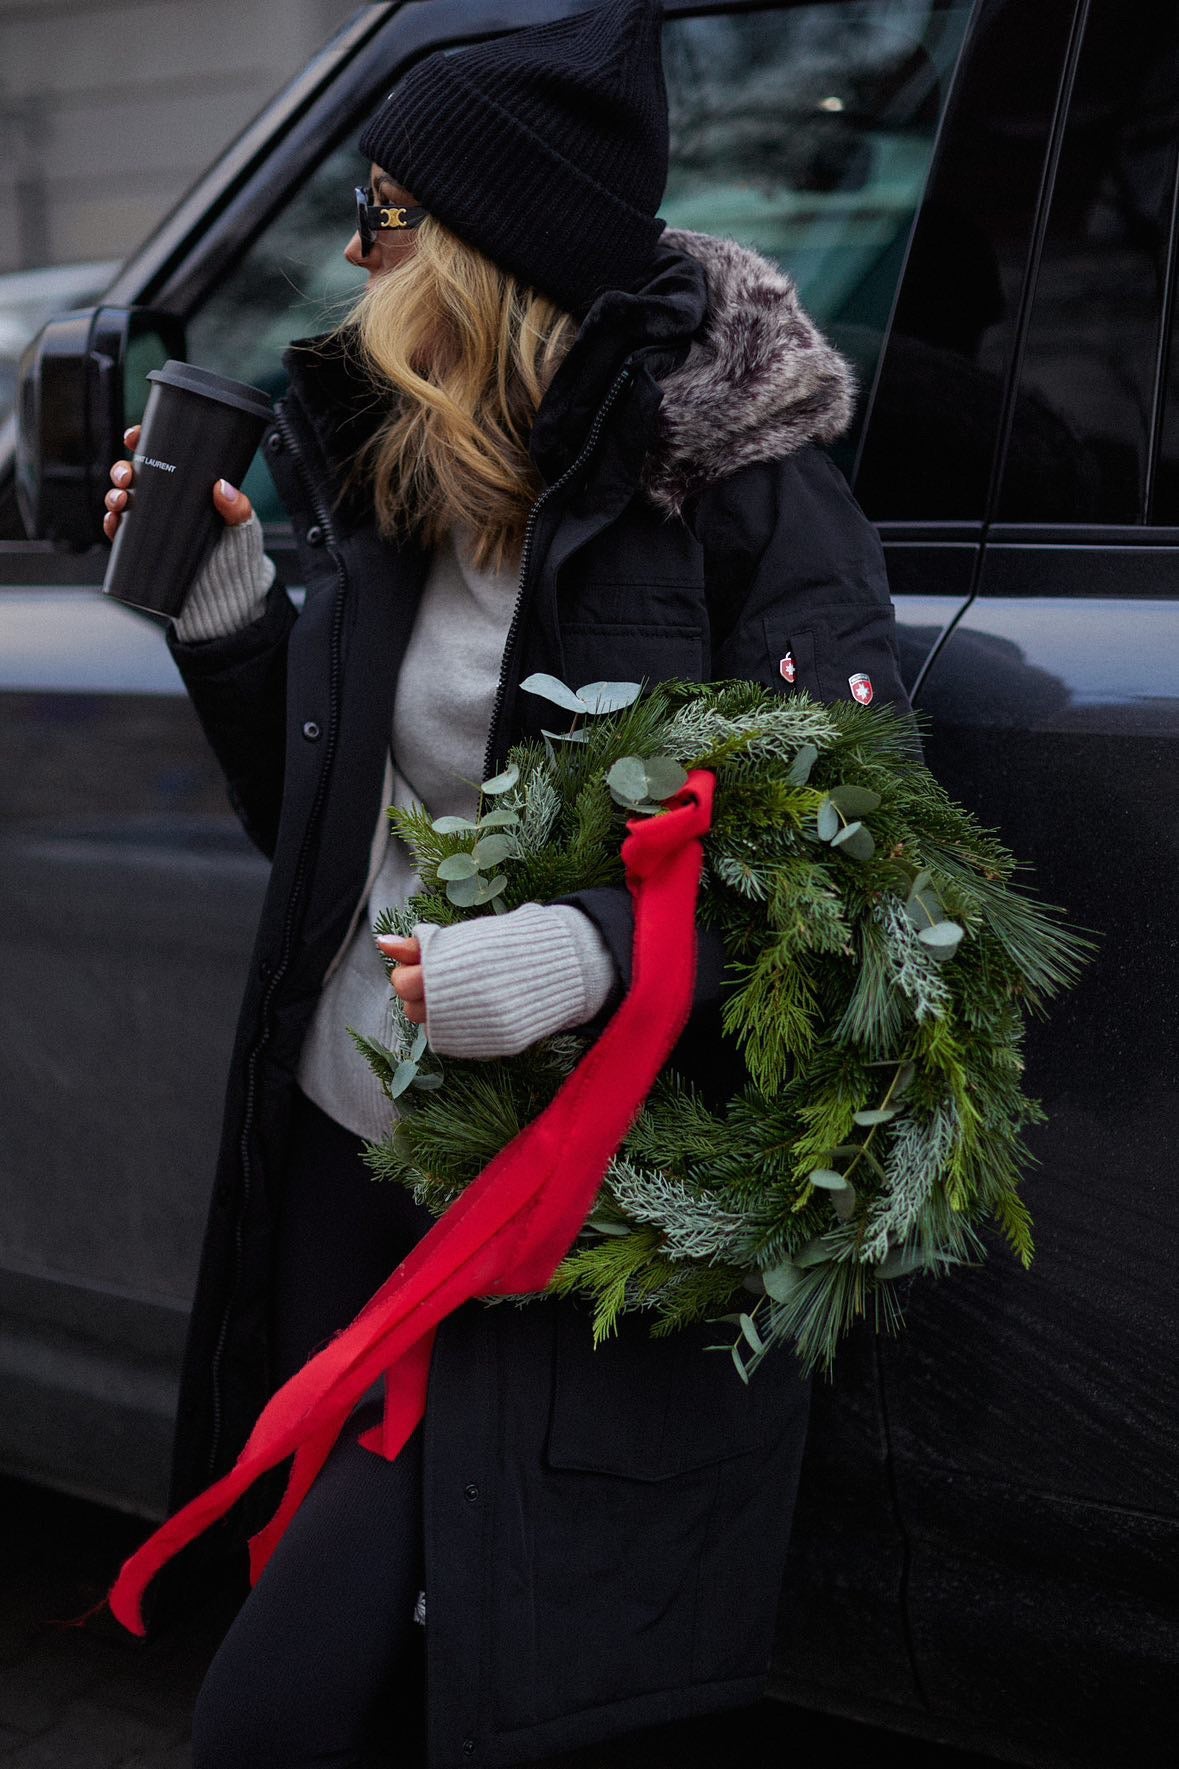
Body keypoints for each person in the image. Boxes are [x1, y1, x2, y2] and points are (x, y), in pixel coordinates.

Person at [102, 2, 917, 1764]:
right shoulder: (404, 463)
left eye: (385, 212)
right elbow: (329, 833)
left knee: (278, 1716)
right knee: (372, 1684)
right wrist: (229, 614)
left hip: (554, 1213)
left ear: (485, 254)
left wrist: (587, 951)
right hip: (346, 1146)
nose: (355, 255)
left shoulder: (742, 499)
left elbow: (856, 872)